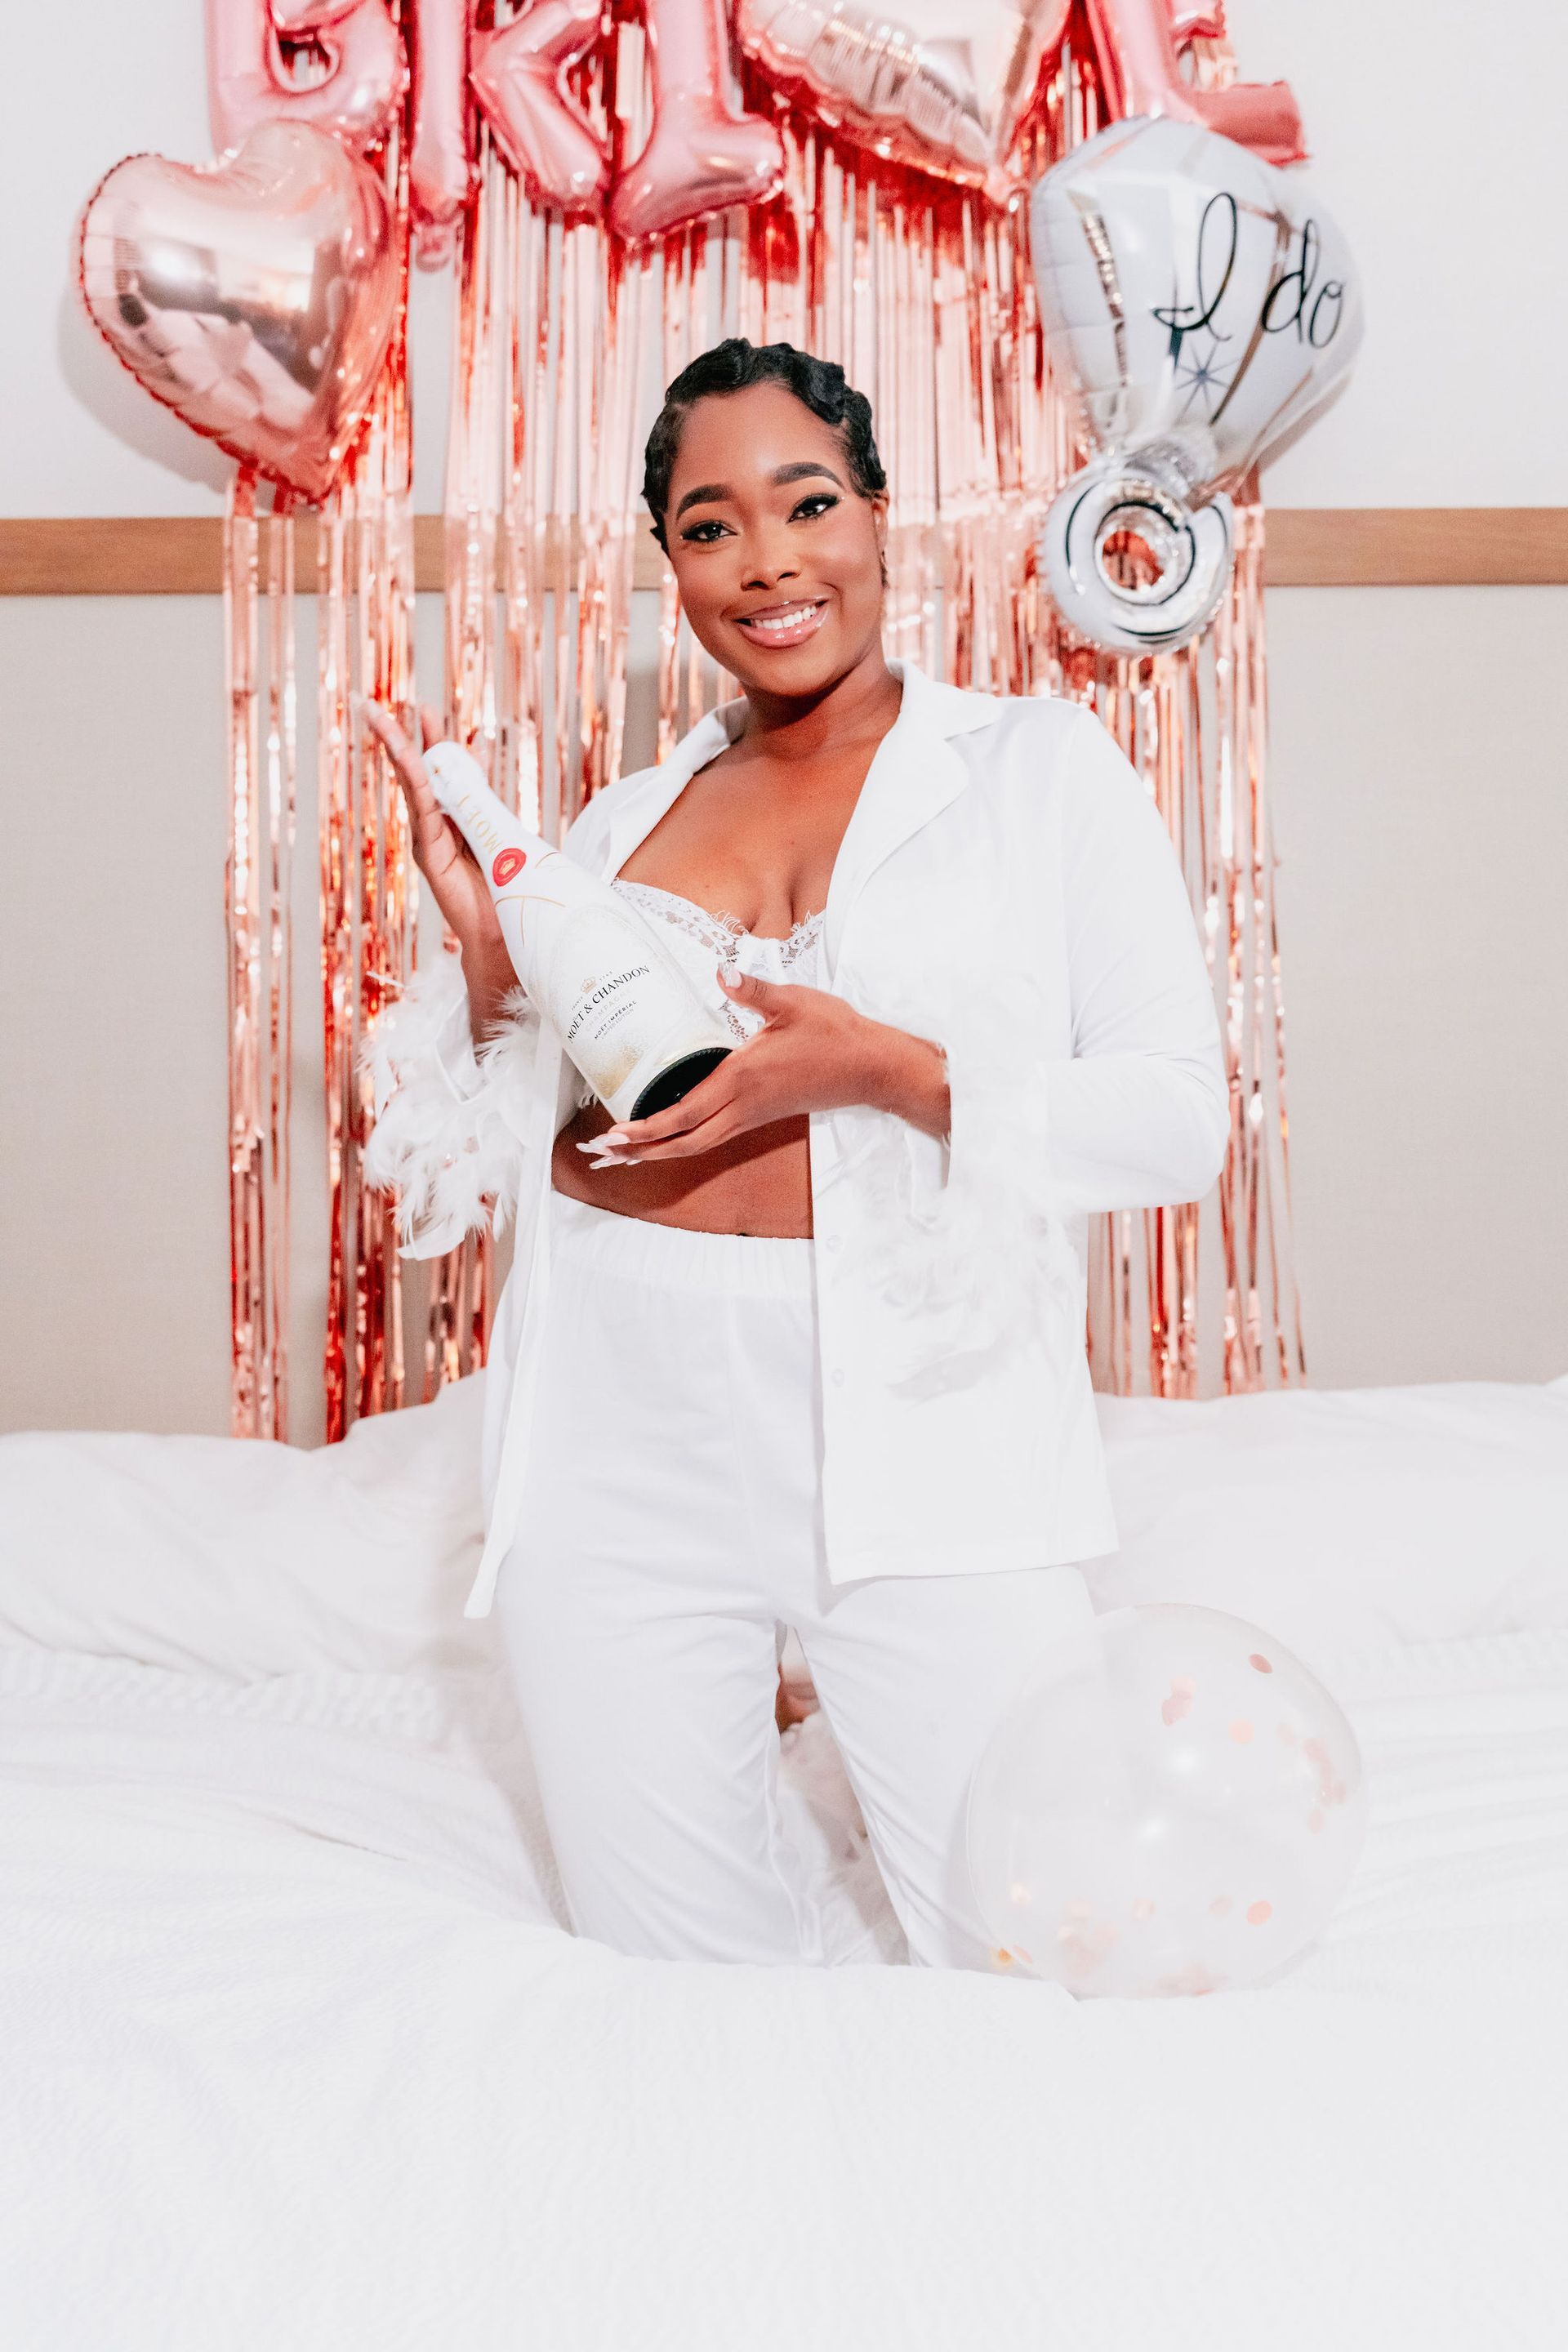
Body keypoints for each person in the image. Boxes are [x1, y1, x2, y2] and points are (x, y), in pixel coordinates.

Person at [359, 336, 1230, 1971]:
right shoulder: (615, 828)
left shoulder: (1037, 771)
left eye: (807, 502)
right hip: (616, 1438)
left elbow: (1180, 1120)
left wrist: (886, 1071)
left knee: (1039, 1958)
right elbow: (517, 1141)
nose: (766, 561)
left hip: (930, 1423)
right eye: (710, 526)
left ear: (880, 514)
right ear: (670, 563)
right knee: (676, 1982)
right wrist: (486, 964)